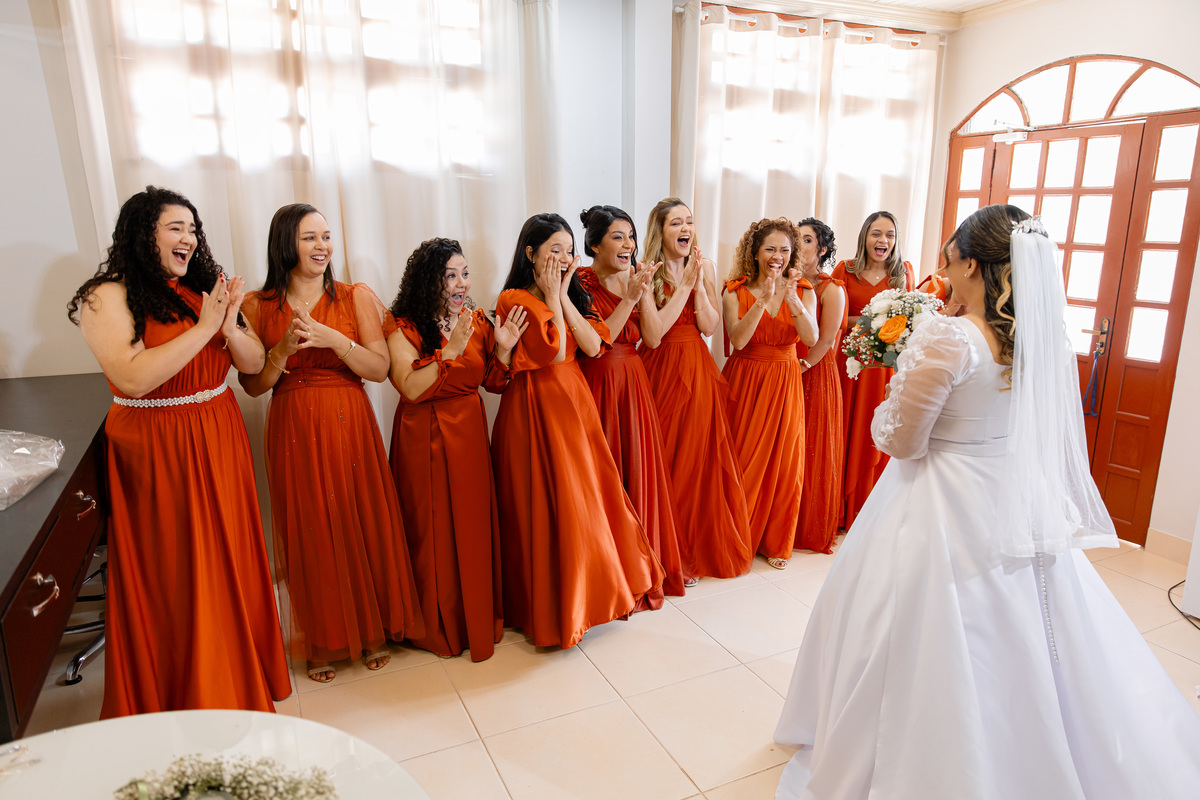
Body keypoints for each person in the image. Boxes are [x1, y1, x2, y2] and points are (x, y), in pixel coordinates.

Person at [774, 205, 1200, 799]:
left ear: (972, 265)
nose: (944, 265)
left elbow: (902, 440)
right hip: (1010, 497)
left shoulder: (949, 337)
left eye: (950, 255)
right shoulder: (1041, 340)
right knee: (1033, 630)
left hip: (937, 499)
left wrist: (894, 391)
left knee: (911, 626)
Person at [68, 186, 290, 716]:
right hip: (156, 443)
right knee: (177, 569)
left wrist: (229, 324)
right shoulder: (107, 295)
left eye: (193, 228)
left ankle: (239, 673)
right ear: (143, 234)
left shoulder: (201, 289)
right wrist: (208, 327)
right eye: (175, 227)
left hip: (217, 430)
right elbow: (131, 377)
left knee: (228, 554)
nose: (188, 237)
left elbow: (254, 364)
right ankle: (188, 691)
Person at [238, 203, 423, 683]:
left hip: (349, 421)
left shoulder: (353, 296)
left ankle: (373, 631)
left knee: (358, 520)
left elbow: (379, 370)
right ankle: (320, 639)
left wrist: (333, 341)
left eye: (326, 236)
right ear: (286, 244)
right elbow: (253, 386)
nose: (322, 246)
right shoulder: (258, 306)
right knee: (310, 529)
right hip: (293, 427)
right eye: (309, 238)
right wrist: (281, 351)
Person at [492, 213, 664, 648]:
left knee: (585, 500)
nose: (565, 258)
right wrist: (553, 295)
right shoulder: (513, 298)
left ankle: (588, 598)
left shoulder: (574, 293)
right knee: (544, 504)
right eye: (555, 250)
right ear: (530, 253)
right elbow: (552, 353)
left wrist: (562, 294)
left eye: (569, 250)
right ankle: (551, 608)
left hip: (574, 400)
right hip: (535, 405)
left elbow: (591, 346)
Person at [387, 237, 528, 661]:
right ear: (428, 281)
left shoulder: (477, 321)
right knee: (429, 530)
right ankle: (434, 624)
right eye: (450, 276)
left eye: (465, 274)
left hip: (468, 433)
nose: (461, 283)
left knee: (471, 527)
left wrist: (503, 349)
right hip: (422, 435)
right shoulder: (404, 327)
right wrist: (448, 352)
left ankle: (475, 619)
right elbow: (410, 387)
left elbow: (493, 383)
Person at [578, 205, 687, 605]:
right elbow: (594, 342)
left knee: (639, 471)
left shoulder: (638, 274)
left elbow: (653, 338)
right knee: (604, 475)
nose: (628, 245)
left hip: (634, 381)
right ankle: (610, 572)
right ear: (594, 245)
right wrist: (630, 298)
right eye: (617, 237)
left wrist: (644, 294)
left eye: (631, 236)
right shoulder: (580, 283)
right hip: (596, 381)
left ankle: (644, 567)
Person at [638, 198, 752, 580]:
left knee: (696, 461)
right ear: (660, 231)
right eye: (675, 223)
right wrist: (683, 285)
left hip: (698, 368)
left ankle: (691, 549)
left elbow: (708, 326)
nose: (685, 228)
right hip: (659, 368)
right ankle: (665, 550)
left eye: (688, 221)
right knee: (665, 459)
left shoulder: (706, 266)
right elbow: (653, 335)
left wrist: (698, 285)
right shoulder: (646, 270)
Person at [721, 218, 818, 570]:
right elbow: (738, 340)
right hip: (746, 379)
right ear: (755, 252)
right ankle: (736, 536)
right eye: (770, 249)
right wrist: (762, 299)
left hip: (785, 379)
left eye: (785, 250)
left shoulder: (804, 290)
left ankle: (776, 540)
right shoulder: (734, 290)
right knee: (742, 460)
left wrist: (791, 299)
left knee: (784, 461)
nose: (778, 256)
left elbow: (811, 338)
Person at [830, 211, 915, 529]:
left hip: (884, 367)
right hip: (850, 363)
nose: (883, 240)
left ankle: (869, 513)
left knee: (875, 433)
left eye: (890, 235)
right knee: (845, 430)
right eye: (876, 233)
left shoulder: (903, 272)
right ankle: (839, 509)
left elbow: (908, 320)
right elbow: (835, 317)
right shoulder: (845, 270)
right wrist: (875, 320)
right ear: (865, 236)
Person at [793, 219, 846, 555]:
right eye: (796, 239)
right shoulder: (785, 281)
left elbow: (826, 339)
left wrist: (802, 367)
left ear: (823, 249)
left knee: (811, 446)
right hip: (784, 368)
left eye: (807, 240)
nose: (799, 245)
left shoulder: (832, 289)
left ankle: (806, 525)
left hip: (814, 371)